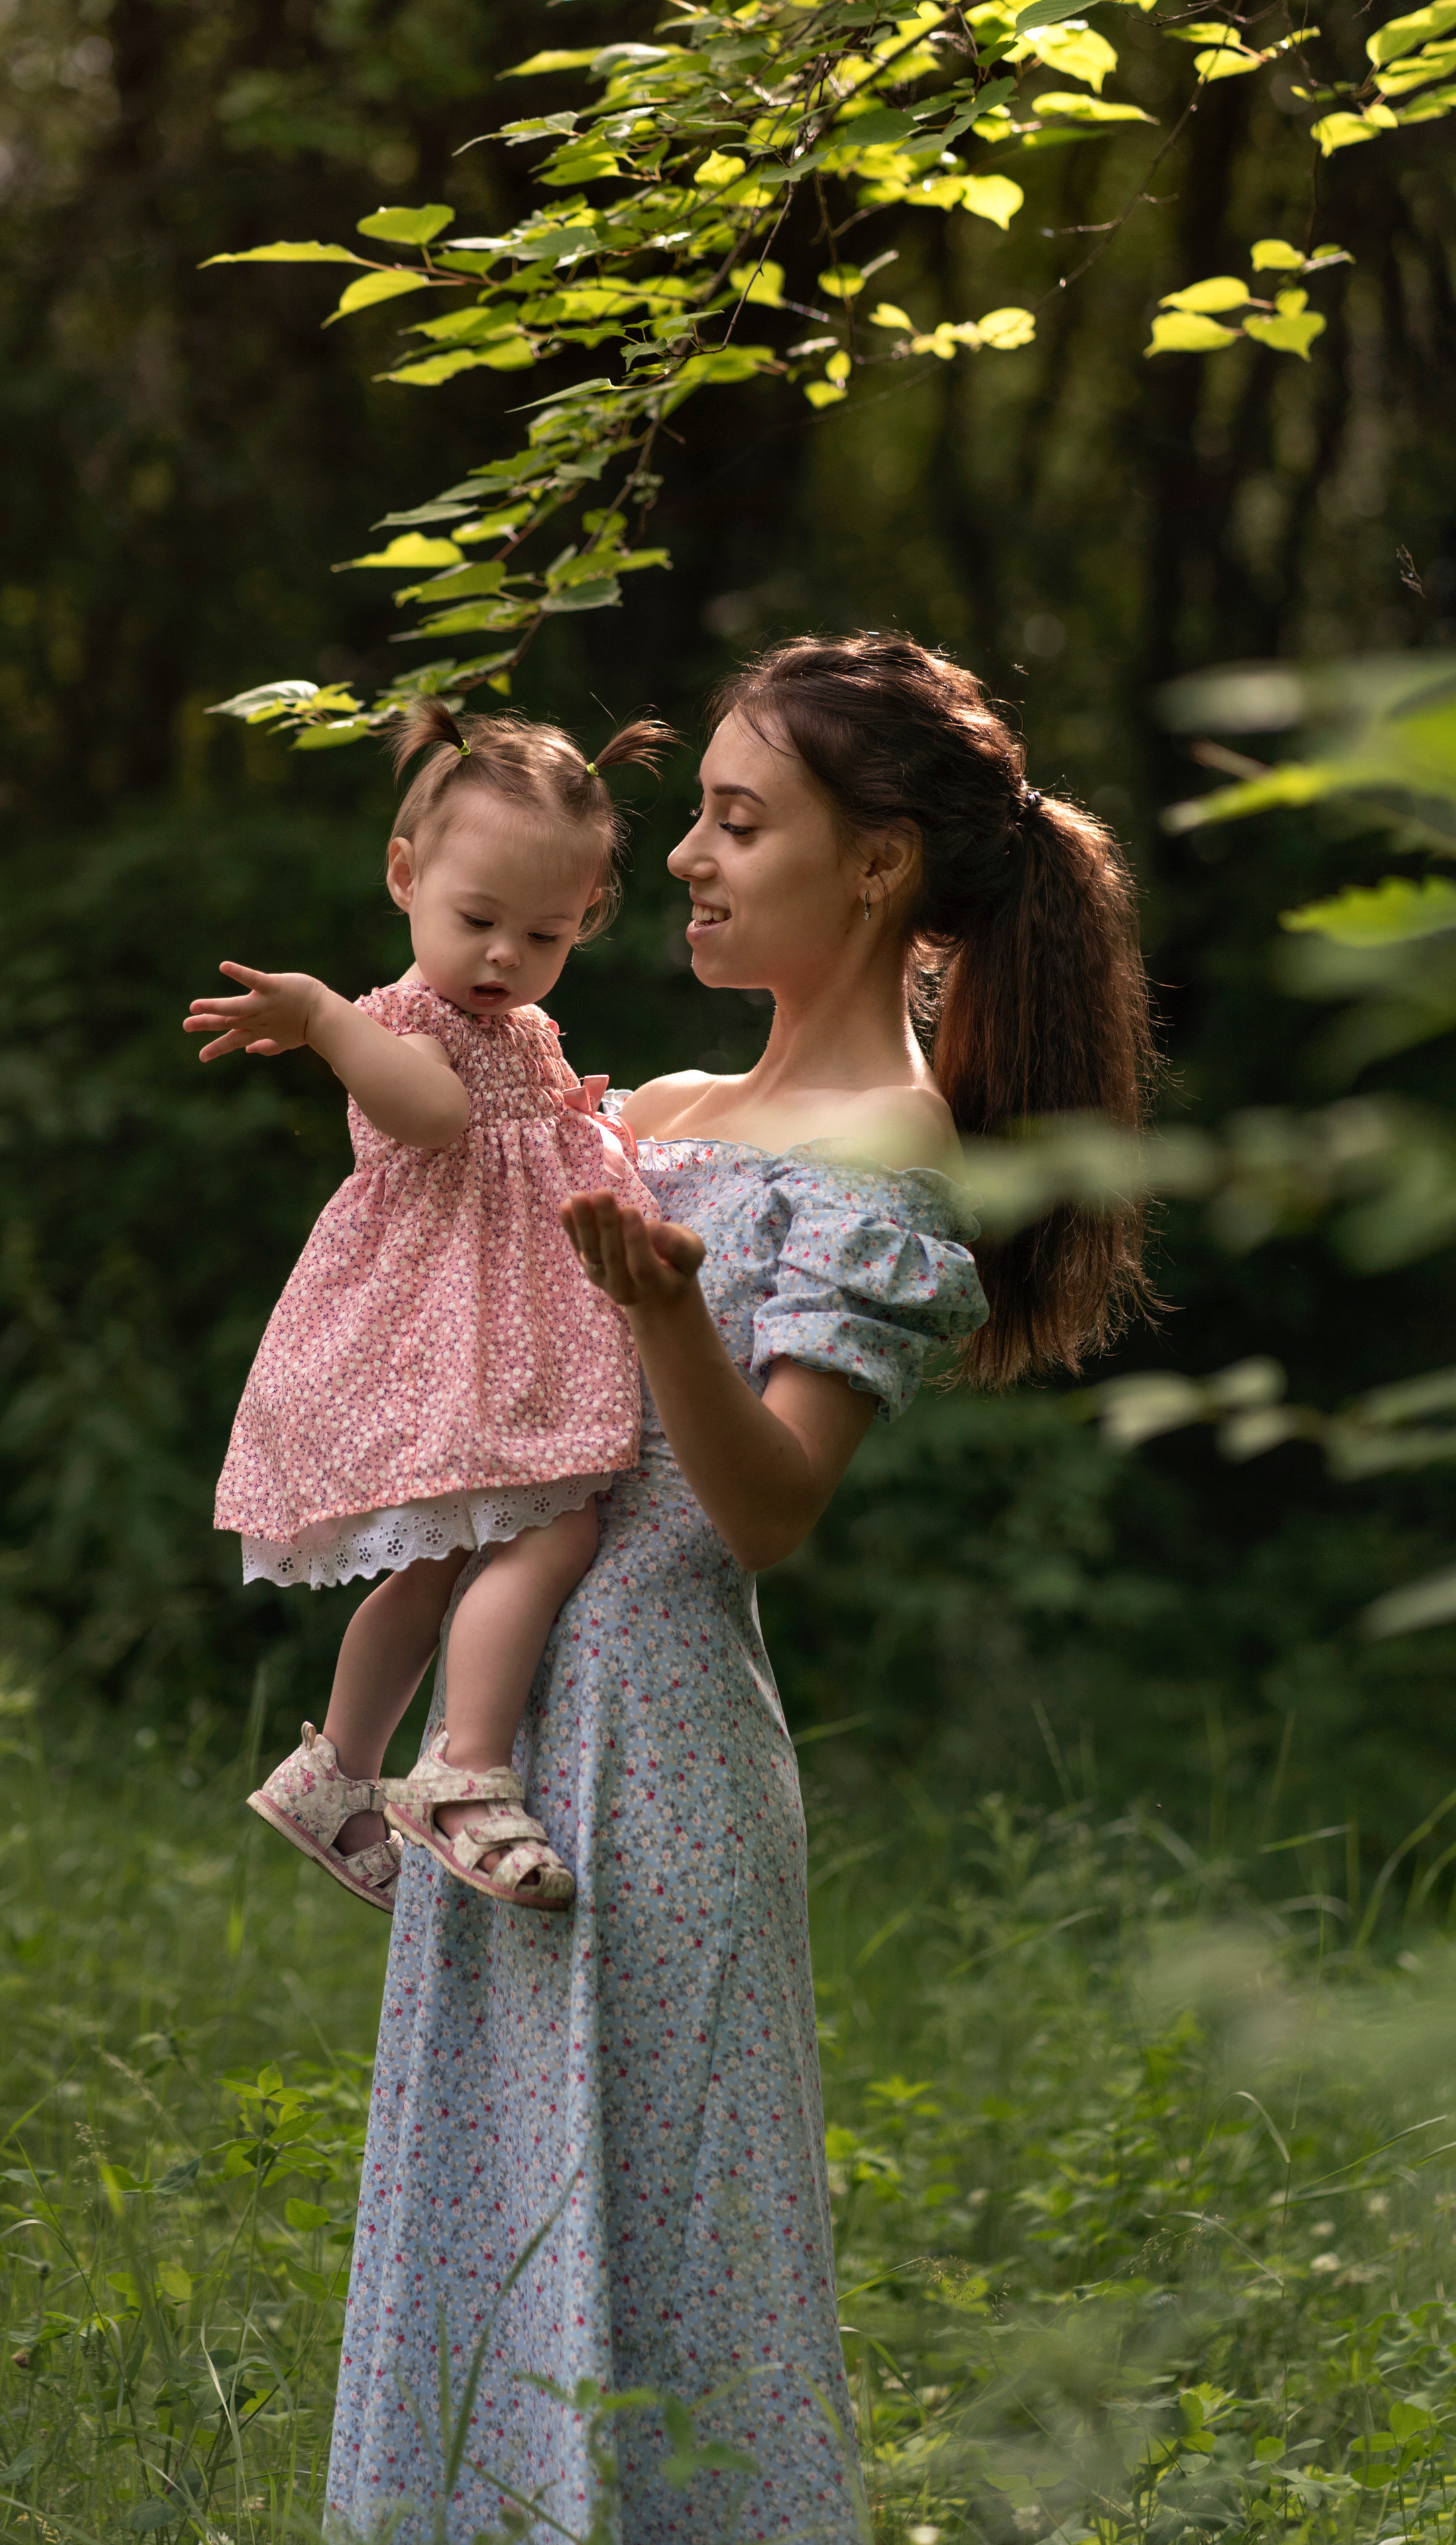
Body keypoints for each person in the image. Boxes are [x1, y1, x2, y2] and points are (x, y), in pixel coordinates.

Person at [326, 633, 1154, 2542]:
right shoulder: (663, 1100)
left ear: (875, 868)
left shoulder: (886, 1150)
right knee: (490, 2210)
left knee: (663, 2243)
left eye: (736, 819)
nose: (685, 858)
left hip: (659, 1755)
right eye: (693, 813)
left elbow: (768, 1507)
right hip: (504, 1744)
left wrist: (670, 1304)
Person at [186, 702, 670, 1913]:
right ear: (405, 876)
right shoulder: (395, 1021)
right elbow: (432, 1114)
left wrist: (580, 1123)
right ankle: (461, 1768)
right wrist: (321, 1020)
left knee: (450, 1562)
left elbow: (526, 1123)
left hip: (500, 1337)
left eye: (547, 934)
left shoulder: (519, 1024)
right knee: (552, 1533)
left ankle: (336, 1771)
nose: (507, 955)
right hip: (446, 1339)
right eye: (477, 921)